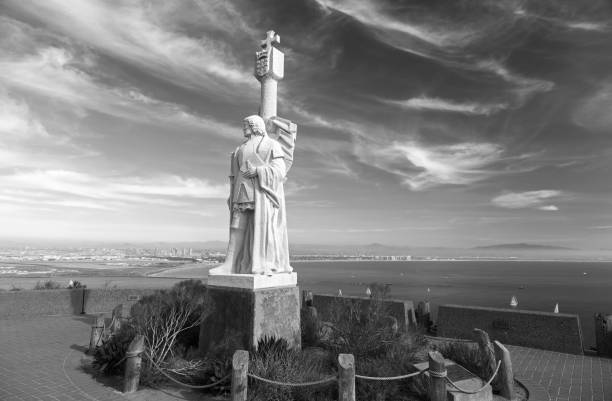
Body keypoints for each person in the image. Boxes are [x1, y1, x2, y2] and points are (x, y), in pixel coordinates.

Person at [209, 115, 292, 275]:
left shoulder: (271, 144)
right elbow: (234, 175)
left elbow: (280, 170)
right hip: (241, 191)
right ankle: (230, 264)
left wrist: (258, 171)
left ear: (255, 126)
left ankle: (260, 263)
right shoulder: (240, 149)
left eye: (246, 125)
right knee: (236, 225)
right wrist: (232, 193)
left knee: (259, 226)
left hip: (261, 193)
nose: (243, 128)